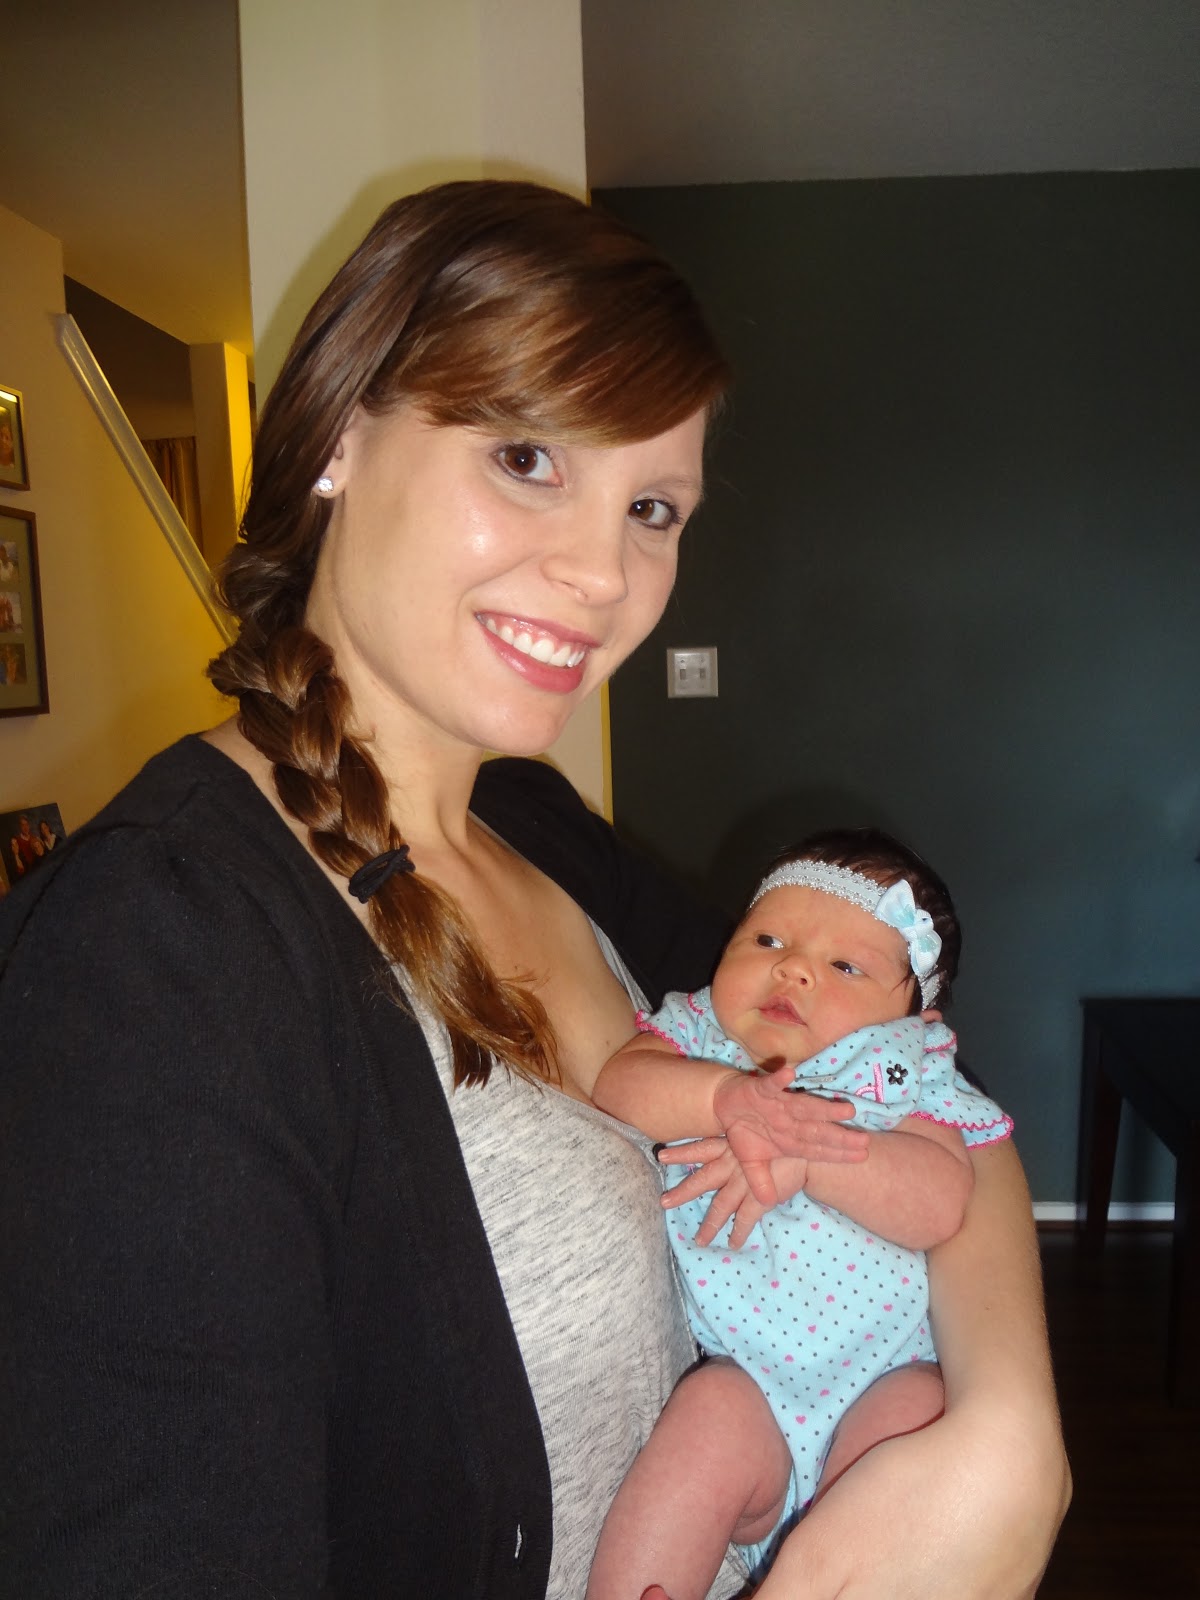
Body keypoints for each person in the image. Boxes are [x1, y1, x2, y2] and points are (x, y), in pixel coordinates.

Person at [0, 179, 1068, 1600]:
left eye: (652, 506)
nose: (599, 573)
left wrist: (1011, 1430)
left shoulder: (538, 821)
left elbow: (907, 1064)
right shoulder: (155, 956)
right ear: (336, 436)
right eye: (525, 458)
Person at [588, 831, 1012, 1598]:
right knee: (707, 1416)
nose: (793, 967)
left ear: (914, 1010)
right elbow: (621, 1083)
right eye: (767, 937)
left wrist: (812, 1155)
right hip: (749, 1391)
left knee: (927, 1410)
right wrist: (721, 1099)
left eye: (845, 965)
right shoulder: (702, 1038)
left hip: (880, 1383)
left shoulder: (900, 1071)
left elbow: (942, 1201)